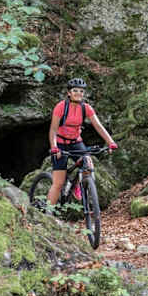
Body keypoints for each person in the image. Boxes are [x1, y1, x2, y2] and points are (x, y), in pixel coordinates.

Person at [47, 77, 117, 205]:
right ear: (69, 93)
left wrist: (110, 142)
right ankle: (47, 212)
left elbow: (98, 126)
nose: (78, 93)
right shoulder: (61, 107)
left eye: (81, 91)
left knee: (88, 163)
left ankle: (79, 184)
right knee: (58, 183)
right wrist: (54, 147)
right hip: (60, 143)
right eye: (75, 90)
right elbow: (53, 130)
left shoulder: (86, 108)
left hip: (76, 142)